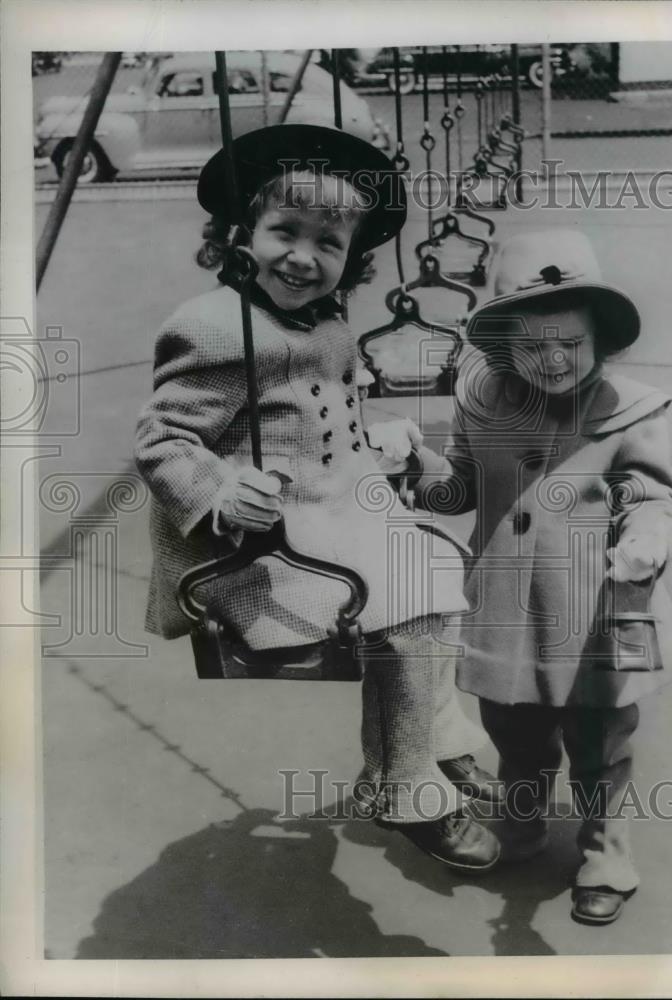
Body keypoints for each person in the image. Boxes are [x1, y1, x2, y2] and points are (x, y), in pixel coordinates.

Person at [134, 124, 501, 873]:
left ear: (351, 259)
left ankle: (433, 741)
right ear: (239, 233)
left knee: (436, 574)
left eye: (328, 244)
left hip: (336, 514)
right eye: (284, 232)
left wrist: (375, 440)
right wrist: (221, 493)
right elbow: (161, 440)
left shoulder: (324, 323)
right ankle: (403, 786)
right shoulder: (213, 328)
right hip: (263, 552)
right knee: (404, 604)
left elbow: (317, 417)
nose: (304, 258)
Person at [399, 229, 672, 922]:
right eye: (532, 345)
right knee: (515, 733)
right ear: (501, 345)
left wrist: (645, 543)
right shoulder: (480, 402)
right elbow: (462, 490)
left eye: (570, 342)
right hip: (505, 604)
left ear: (601, 338)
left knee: (600, 739)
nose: (554, 359)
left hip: (595, 604)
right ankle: (524, 822)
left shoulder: (630, 409)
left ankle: (605, 852)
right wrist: (421, 476)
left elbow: (652, 497)